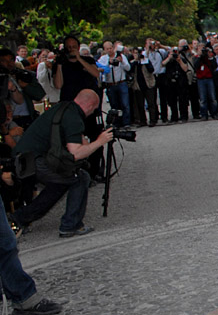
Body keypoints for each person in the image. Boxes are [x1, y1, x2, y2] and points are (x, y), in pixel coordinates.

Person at [10, 89, 113, 237]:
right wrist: (100, 142)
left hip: (25, 158)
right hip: (32, 160)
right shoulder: (74, 117)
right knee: (79, 178)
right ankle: (71, 225)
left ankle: (21, 218)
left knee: (59, 183)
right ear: (91, 106)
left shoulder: (64, 108)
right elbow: (76, 154)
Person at [0, 48, 46, 129]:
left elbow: (40, 94)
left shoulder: (24, 74)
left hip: (26, 118)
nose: (9, 64)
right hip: (6, 120)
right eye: (4, 61)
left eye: (11, 60)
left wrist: (25, 86)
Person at [96, 41, 131, 127]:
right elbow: (101, 69)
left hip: (121, 82)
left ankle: (126, 122)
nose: (109, 50)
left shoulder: (121, 56)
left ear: (113, 48)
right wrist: (109, 62)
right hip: (110, 84)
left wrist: (122, 61)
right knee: (114, 105)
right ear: (105, 50)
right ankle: (117, 123)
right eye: (107, 49)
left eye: (110, 48)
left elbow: (128, 68)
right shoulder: (103, 59)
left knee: (125, 104)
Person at [193, 46, 218, 120]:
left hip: (209, 78)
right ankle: (204, 114)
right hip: (200, 79)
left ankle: (215, 113)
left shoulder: (209, 58)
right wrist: (200, 57)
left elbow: (215, 66)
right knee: (202, 98)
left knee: (212, 97)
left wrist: (210, 57)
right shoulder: (196, 58)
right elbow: (195, 66)